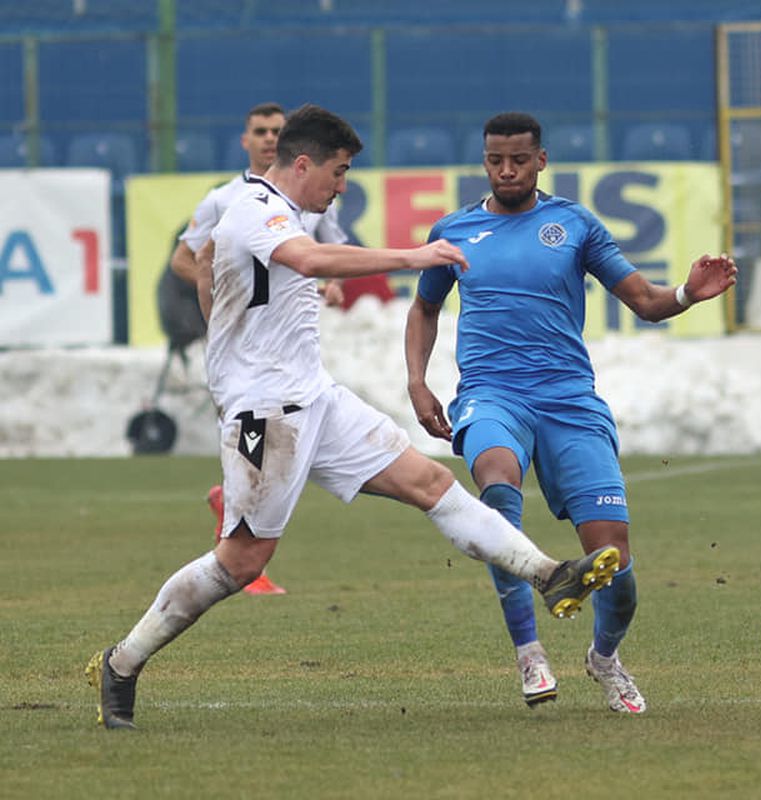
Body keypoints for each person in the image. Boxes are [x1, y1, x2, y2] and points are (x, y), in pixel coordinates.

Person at [86, 104, 621, 730]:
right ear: (305, 163)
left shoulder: (282, 211)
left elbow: (218, 266)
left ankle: (549, 574)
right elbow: (308, 261)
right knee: (241, 562)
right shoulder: (257, 209)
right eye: (338, 173)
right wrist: (413, 257)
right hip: (265, 413)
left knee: (432, 485)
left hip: (317, 398)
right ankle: (121, 664)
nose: (342, 187)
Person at [406, 111, 737, 713]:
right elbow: (425, 309)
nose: (506, 170)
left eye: (518, 160)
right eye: (495, 160)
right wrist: (417, 382)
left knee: (615, 561)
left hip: (569, 401)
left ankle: (604, 658)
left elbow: (644, 301)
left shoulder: (574, 224)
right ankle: (529, 653)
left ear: (541, 160)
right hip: (492, 394)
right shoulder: (454, 231)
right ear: (484, 162)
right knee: (498, 488)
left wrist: (688, 293)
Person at [170, 101, 349, 594]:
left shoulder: (308, 194)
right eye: (260, 131)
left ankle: (236, 528)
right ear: (245, 140)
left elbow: (325, 256)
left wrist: (328, 283)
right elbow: (185, 260)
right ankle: (245, 559)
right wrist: (229, 293)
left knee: (277, 443)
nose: (270, 137)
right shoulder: (222, 201)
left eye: (277, 130)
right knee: (255, 444)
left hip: (292, 343)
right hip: (243, 348)